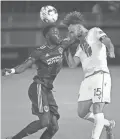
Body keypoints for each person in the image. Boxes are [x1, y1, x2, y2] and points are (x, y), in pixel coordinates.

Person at [2, 24, 77, 139]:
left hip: (47, 90)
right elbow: (25, 65)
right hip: (38, 87)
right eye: (54, 33)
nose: (58, 35)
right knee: (44, 122)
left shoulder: (63, 45)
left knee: (53, 127)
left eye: (58, 32)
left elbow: (76, 37)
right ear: (47, 36)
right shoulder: (39, 52)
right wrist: (11, 70)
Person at [63, 11, 115, 139]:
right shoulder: (80, 47)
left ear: (79, 26)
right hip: (87, 80)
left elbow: (107, 40)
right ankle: (108, 124)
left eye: (71, 31)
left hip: (100, 75)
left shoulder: (94, 31)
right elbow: (72, 64)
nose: (71, 35)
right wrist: (65, 49)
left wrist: (111, 49)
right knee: (82, 112)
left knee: (97, 109)